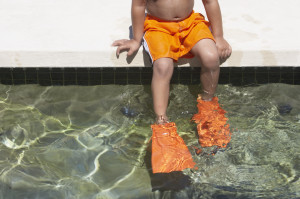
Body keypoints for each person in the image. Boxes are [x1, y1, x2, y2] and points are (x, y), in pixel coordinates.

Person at [112, 0, 231, 125]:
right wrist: (136, 39)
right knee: (163, 67)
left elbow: (210, 2)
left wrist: (218, 36)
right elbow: (139, 5)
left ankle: (208, 105)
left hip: (191, 23)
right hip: (158, 27)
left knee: (211, 57)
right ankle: (161, 120)